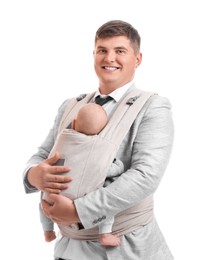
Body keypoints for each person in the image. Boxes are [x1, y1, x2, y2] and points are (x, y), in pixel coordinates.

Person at [23, 20, 174, 259]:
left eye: (120, 51)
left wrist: (78, 211)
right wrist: (34, 175)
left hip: (126, 248)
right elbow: (43, 154)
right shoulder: (71, 106)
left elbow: (146, 176)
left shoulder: (153, 107)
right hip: (70, 249)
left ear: (137, 59)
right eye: (102, 50)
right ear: (94, 55)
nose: (109, 58)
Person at [41, 103, 122, 246]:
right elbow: (103, 170)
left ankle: (48, 231)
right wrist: (119, 166)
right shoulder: (99, 147)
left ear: (73, 123)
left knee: (43, 198)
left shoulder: (62, 138)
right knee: (107, 196)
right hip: (79, 199)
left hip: (53, 196)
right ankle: (105, 233)